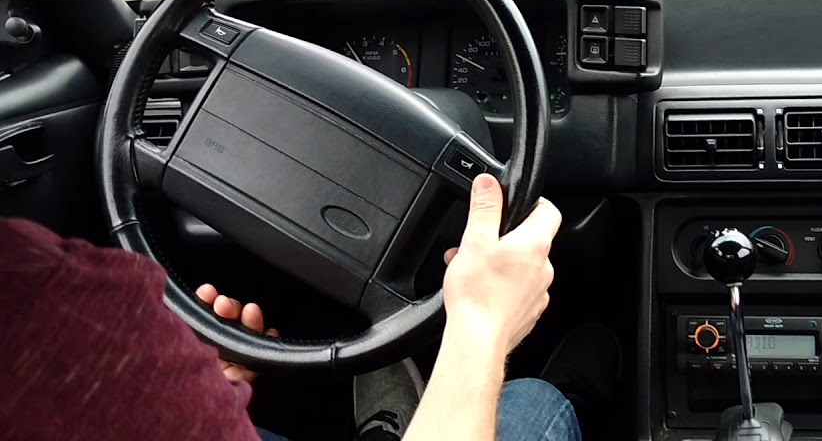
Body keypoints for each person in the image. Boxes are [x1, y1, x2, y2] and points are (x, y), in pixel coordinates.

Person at [0, 173, 602, 441]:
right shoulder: (52, 304)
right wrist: (483, 328)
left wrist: (180, 394)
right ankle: (572, 407)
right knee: (531, 404)